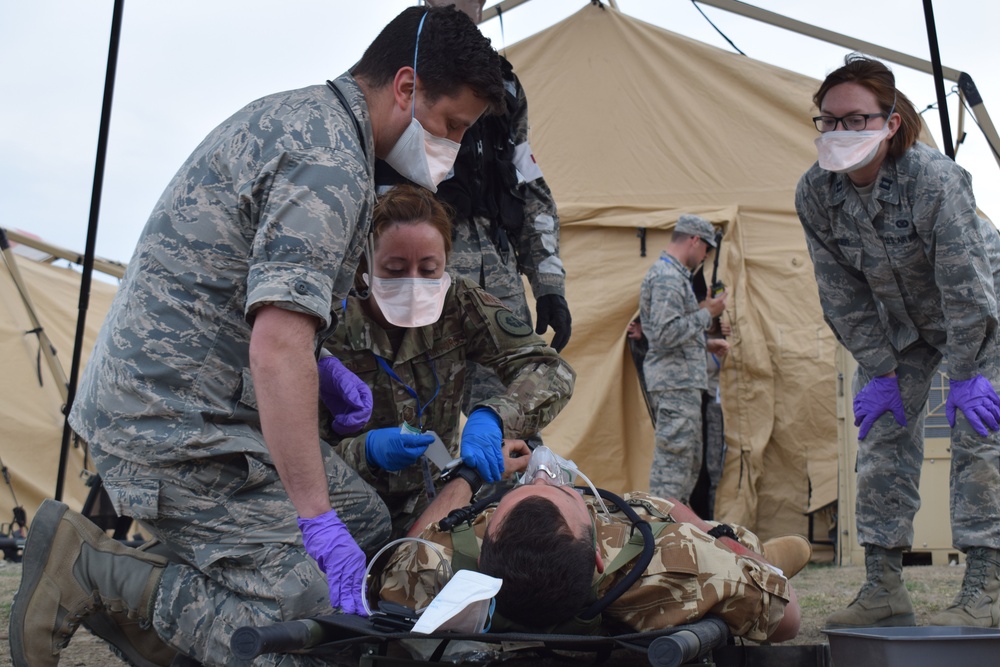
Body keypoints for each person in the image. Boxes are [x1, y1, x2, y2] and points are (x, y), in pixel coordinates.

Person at [9, 7, 506, 667]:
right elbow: (276, 346)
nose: (451, 146)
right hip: (166, 425)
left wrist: (322, 365)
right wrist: (313, 521)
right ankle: (95, 570)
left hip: (207, 401)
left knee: (366, 524)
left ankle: (191, 584)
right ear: (406, 87)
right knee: (310, 610)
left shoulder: (318, 128)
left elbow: (257, 297)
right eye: (451, 126)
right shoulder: (330, 163)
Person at [796, 54, 1000, 629]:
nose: (841, 132)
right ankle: (884, 585)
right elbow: (841, 294)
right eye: (830, 120)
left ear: (890, 122)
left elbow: (967, 290)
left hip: (984, 318)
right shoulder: (816, 193)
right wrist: (880, 370)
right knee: (880, 437)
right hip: (901, 325)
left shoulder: (933, 179)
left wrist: (964, 373)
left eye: (857, 119)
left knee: (979, 438)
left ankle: (985, 587)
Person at [318, 184, 575, 538]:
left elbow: (551, 369)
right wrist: (367, 451)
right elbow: (289, 455)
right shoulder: (327, 323)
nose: (413, 283)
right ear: (365, 265)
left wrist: (493, 417)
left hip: (440, 495)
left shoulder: (458, 302)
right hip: (347, 509)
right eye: (394, 269)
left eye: (429, 269)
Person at [376, 446, 806, 642]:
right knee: (668, 511)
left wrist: (471, 476)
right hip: (671, 535)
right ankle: (758, 550)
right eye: (561, 490)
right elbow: (788, 618)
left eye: (521, 490)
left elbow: (413, 547)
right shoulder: (680, 562)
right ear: (600, 556)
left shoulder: (433, 567)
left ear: (485, 543)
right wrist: (710, 536)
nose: (544, 474)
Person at [379, 0, 571, 420]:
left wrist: (549, 284)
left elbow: (529, 186)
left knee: (512, 419)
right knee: (420, 418)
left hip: (498, 281)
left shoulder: (504, 87)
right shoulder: (398, 68)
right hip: (424, 276)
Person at [639, 214, 728, 504]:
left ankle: (673, 536)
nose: (704, 256)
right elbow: (664, 334)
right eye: (706, 249)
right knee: (671, 472)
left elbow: (670, 331)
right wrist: (708, 314)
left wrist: (704, 344)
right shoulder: (667, 278)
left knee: (686, 468)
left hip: (681, 385)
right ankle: (658, 536)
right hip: (674, 386)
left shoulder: (673, 275)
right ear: (694, 240)